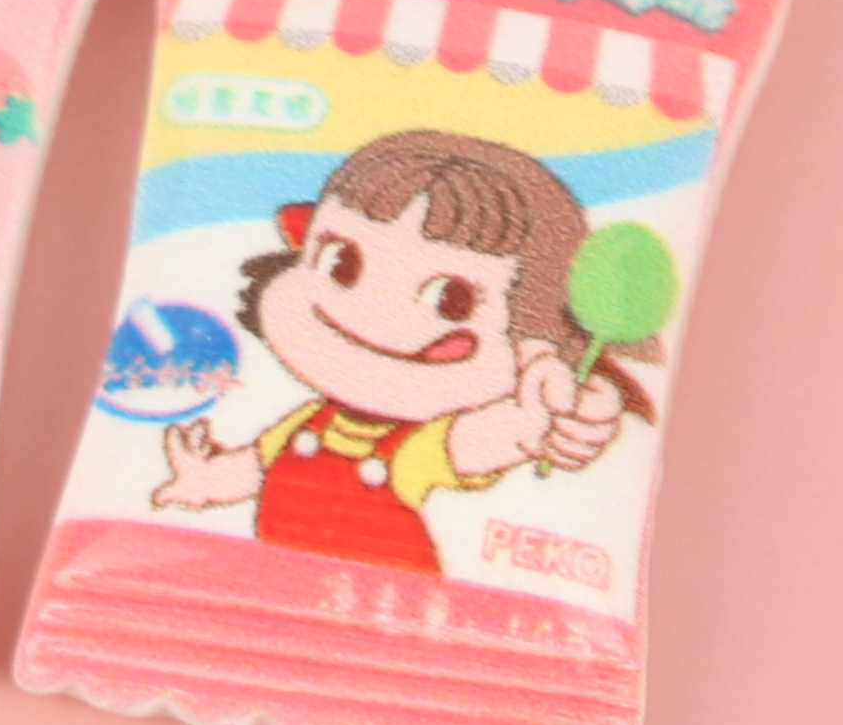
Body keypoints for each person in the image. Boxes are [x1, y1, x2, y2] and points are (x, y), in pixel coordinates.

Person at [151, 127, 654, 574]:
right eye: (341, 263)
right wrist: (203, 479)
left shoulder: (416, 450)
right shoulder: (309, 423)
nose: (369, 312)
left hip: (387, 606)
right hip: (279, 587)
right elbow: (254, 466)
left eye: (451, 300)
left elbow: (489, 436)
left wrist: (543, 412)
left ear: (529, 342)